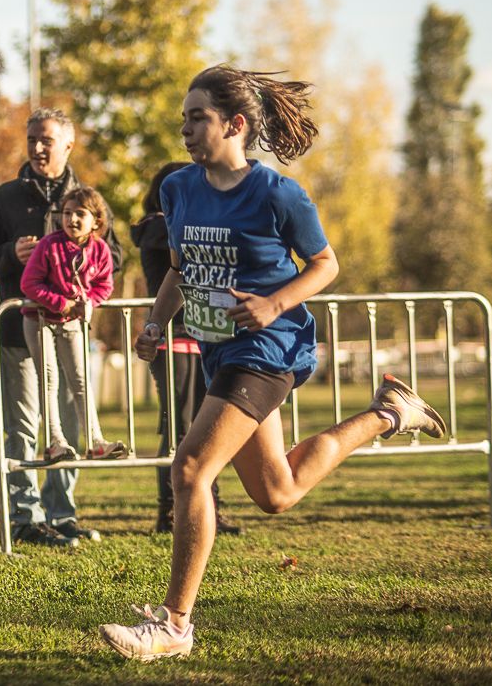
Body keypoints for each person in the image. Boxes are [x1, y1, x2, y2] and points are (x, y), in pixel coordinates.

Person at [99, 65, 446, 660]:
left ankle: (174, 626)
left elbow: (325, 264)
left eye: (197, 116)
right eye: (183, 116)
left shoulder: (280, 194)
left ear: (234, 124)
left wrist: (273, 304)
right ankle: (390, 413)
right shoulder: (177, 188)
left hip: (267, 350)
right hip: (218, 349)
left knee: (189, 470)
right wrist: (156, 322)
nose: (185, 128)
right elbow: (183, 268)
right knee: (278, 490)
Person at [0, 108, 123, 547]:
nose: (39, 148)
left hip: (72, 332)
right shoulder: (0, 200)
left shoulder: (89, 199)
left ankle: (63, 515)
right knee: (23, 425)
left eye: (48, 140)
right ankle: (25, 517)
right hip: (18, 332)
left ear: (68, 146)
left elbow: (114, 258)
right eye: (32, 139)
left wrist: (83, 257)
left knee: (71, 424)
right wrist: (9, 254)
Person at [130, 162, 240, 536]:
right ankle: (171, 511)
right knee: (179, 426)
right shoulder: (158, 229)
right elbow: (185, 266)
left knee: (206, 426)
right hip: (174, 338)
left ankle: (210, 506)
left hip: (205, 335)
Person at [20, 186, 124, 462]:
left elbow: (105, 284)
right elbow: (29, 283)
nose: (72, 220)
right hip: (40, 320)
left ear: (96, 221)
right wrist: (60, 302)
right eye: (67, 213)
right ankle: (56, 440)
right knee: (50, 378)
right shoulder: (49, 245)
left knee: (80, 380)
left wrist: (87, 301)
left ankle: (95, 440)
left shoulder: (100, 250)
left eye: (80, 214)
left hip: (73, 323)